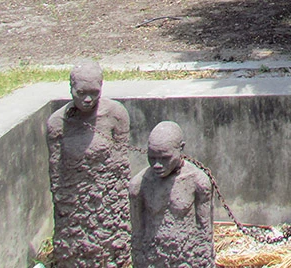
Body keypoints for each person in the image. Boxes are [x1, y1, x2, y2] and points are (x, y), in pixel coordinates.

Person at [46, 61, 131, 268]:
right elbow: (56, 173)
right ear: (71, 89)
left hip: (107, 200)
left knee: (110, 247)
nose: (87, 99)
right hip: (75, 202)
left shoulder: (116, 114)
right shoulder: (58, 123)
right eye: (81, 92)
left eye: (94, 93)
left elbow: (122, 164)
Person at [129, 121, 215, 268]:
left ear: (181, 148)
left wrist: (201, 258)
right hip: (153, 258)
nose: (157, 165)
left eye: (164, 158)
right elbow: (137, 232)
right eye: (152, 157)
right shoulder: (139, 184)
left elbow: (205, 230)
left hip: (187, 257)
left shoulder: (197, 181)